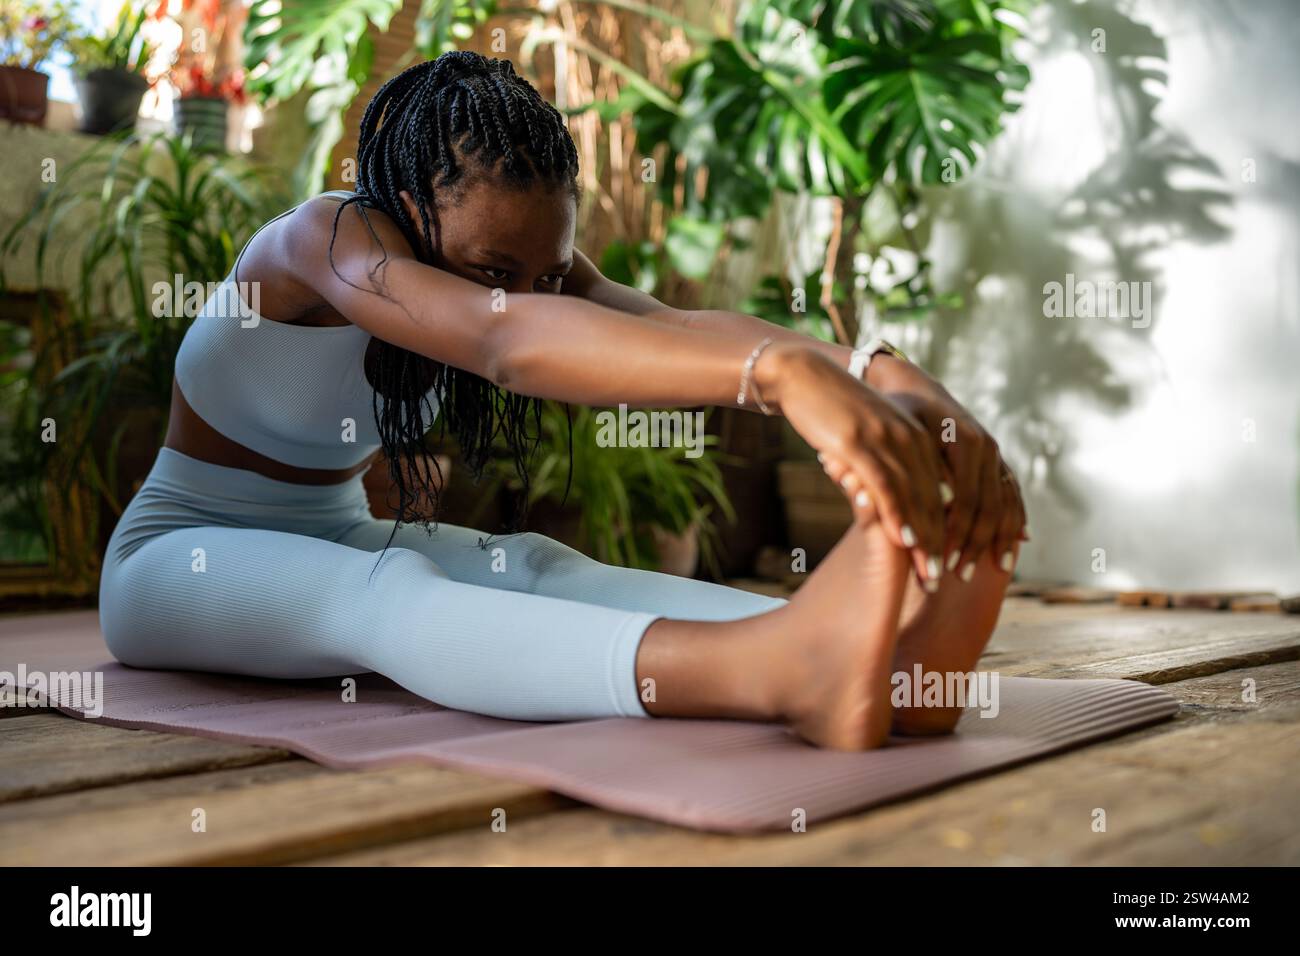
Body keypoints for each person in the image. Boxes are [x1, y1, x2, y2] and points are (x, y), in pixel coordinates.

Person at [98, 52, 1027, 751]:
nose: (532, 294)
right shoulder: (324, 242)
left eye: (548, 273)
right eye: (497, 271)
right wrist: (783, 378)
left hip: (336, 531)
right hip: (178, 558)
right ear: (413, 203)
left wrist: (878, 370)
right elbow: (504, 340)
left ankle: (884, 665)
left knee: (533, 564)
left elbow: (672, 327)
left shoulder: (514, 272)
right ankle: (781, 673)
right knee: (382, 591)